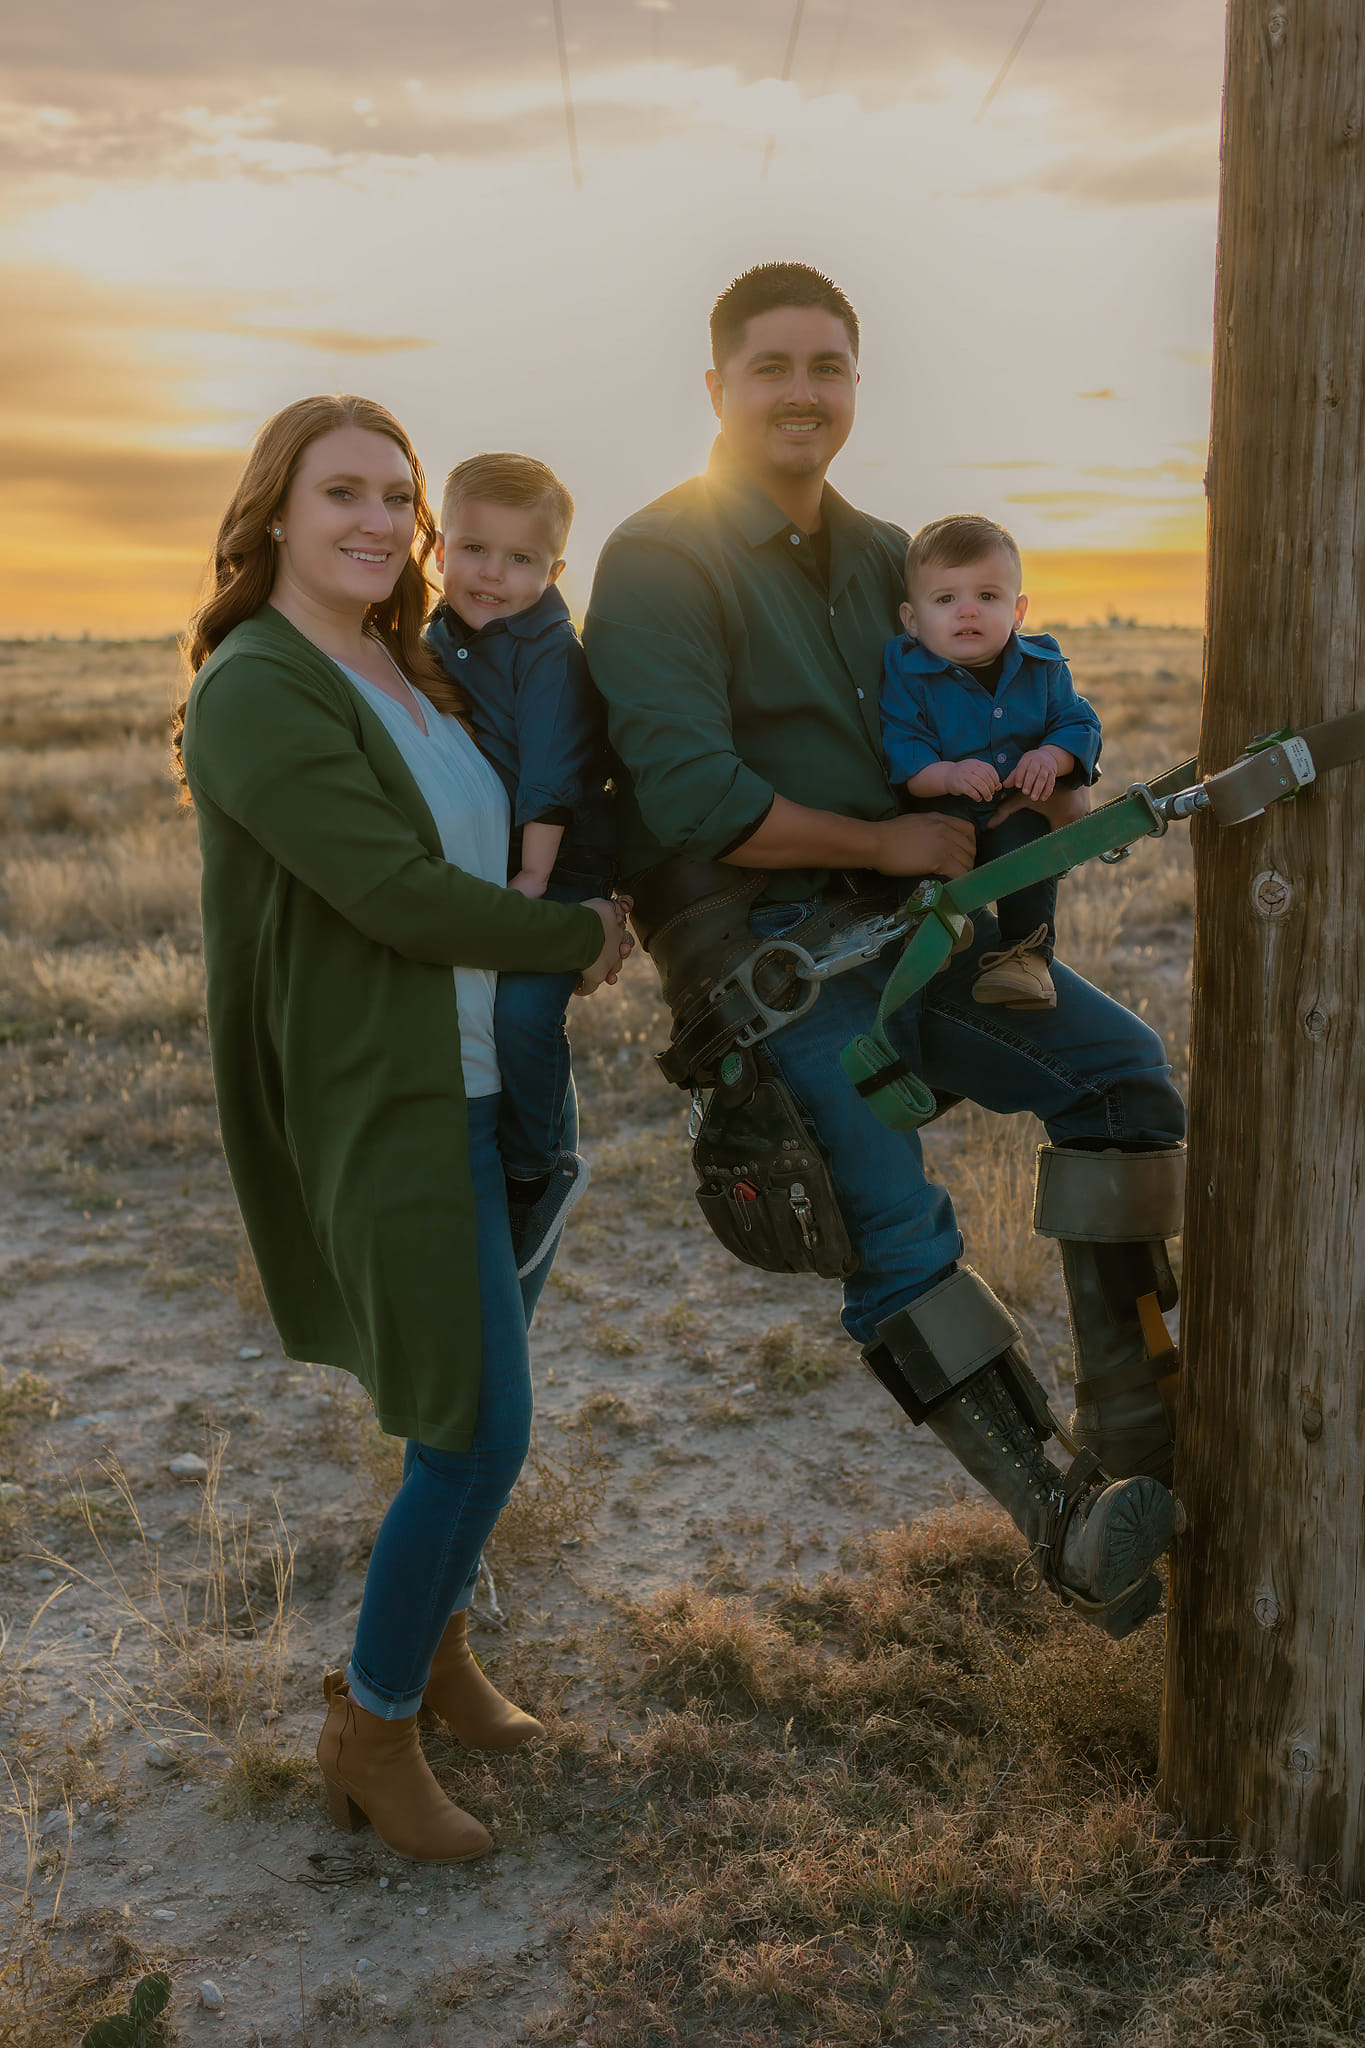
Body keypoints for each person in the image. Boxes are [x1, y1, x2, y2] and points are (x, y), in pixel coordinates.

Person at [584, 262, 1186, 1640]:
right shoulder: (658, 557)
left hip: (921, 928)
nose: (803, 392)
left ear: (856, 383)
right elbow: (682, 797)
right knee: (892, 1221)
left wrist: (1051, 783)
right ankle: (1064, 1514)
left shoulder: (892, 557)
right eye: (772, 367)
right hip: (765, 950)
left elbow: (1001, 699)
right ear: (716, 389)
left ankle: (1138, 1424)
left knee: (1122, 1074)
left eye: (829, 366)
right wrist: (893, 839)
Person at [176, 394, 630, 1862]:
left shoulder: (414, 658)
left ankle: (432, 1658)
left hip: (499, 1091)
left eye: (397, 495)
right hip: (389, 1098)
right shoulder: (259, 685)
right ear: (276, 516)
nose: (377, 522)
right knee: (473, 1430)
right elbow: (391, 893)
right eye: (342, 496)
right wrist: (572, 938)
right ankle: (370, 1726)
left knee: (473, 1411)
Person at [425, 453, 615, 1278]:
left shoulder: (548, 649)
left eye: (520, 560)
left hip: (557, 860)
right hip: (492, 862)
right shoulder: (430, 637)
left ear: (554, 570)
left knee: (523, 1017)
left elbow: (551, 768)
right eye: (473, 549)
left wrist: (537, 881)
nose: (491, 576)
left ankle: (537, 1170)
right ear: (439, 548)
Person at [881, 513, 1103, 1012]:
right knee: (922, 848)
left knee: (1027, 849)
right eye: (945, 599)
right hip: (945, 810)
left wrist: (1053, 755)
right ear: (912, 619)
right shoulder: (907, 671)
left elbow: (1080, 723)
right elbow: (903, 745)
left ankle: (1025, 958)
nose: (968, 612)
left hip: (1013, 813)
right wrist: (948, 774)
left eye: (987, 596)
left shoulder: (1042, 666)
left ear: (1018, 610)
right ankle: (930, 931)